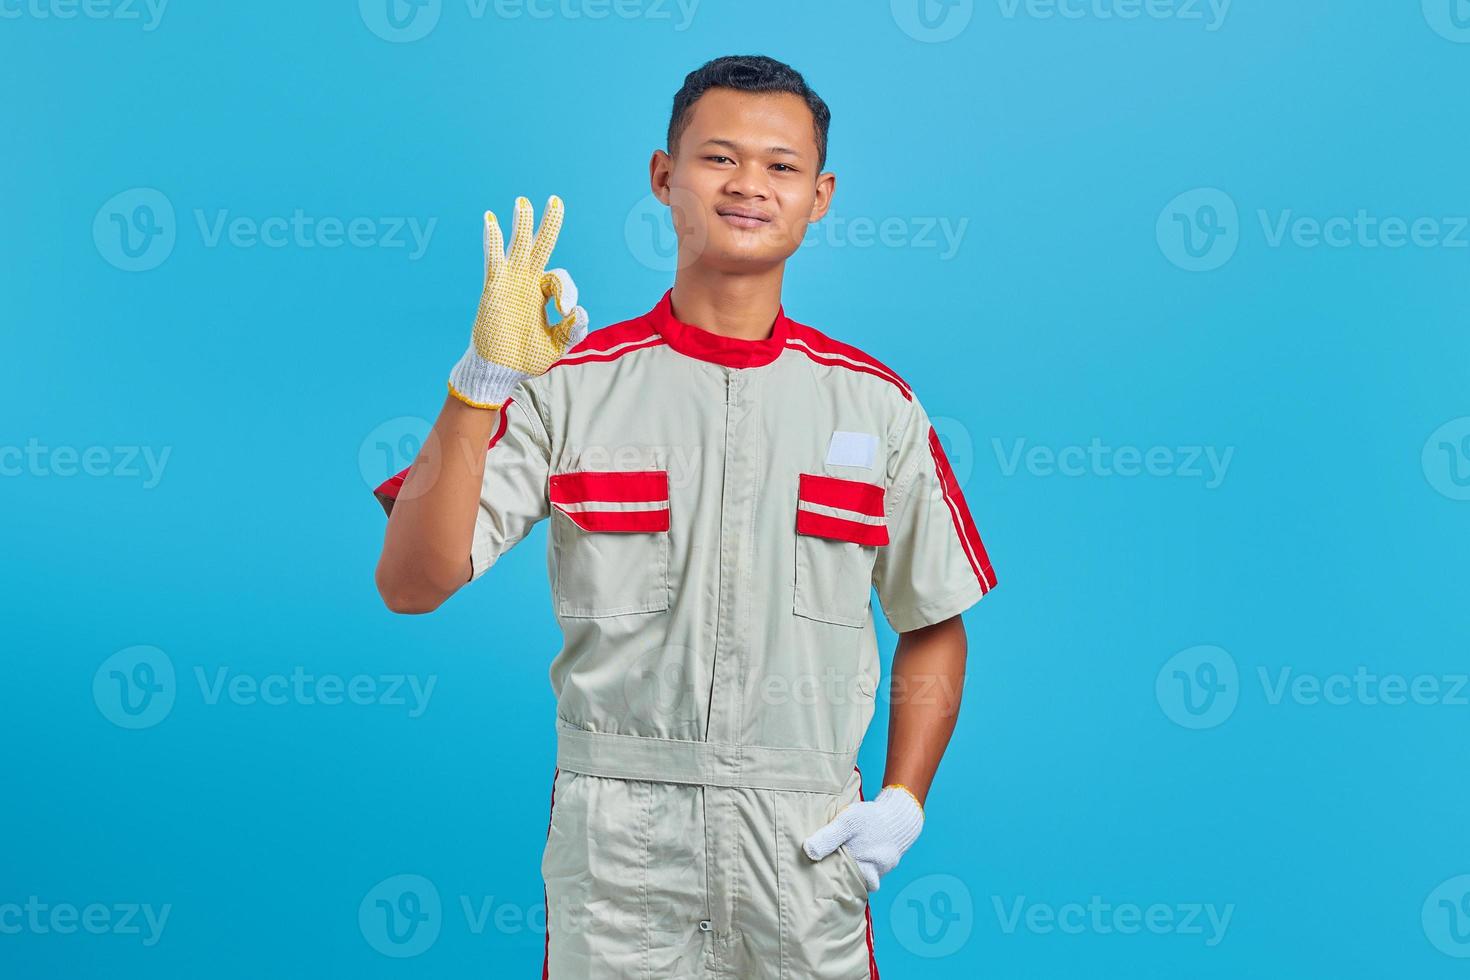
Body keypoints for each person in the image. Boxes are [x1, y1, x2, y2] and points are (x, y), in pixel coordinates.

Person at [372, 53, 998, 979]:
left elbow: (934, 620)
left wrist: (903, 798)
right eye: (719, 158)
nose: (750, 185)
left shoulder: (876, 407)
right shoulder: (569, 393)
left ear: (820, 195)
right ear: (664, 177)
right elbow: (411, 584)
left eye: (781, 166)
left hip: (804, 843)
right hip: (621, 853)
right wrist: (482, 384)